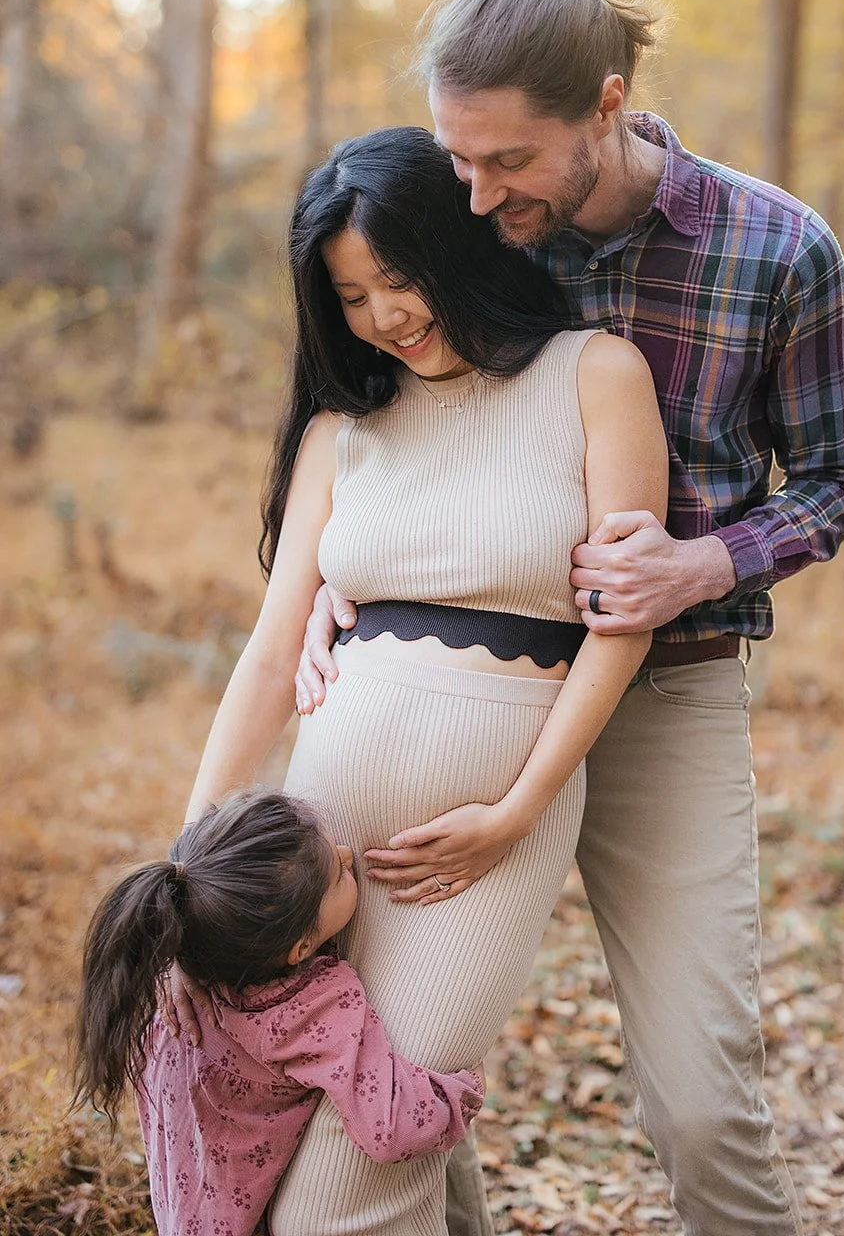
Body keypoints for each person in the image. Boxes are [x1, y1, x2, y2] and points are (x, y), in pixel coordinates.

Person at [298, 0, 844, 1236]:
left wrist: (702, 561)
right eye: (457, 157)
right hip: (462, 691)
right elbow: (371, 403)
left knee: (701, 1101)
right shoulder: (458, 229)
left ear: (603, 109)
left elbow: (831, 484)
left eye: (508, 160)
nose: (482, 194)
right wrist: (342, 582)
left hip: (664, 695)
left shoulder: (777, 250)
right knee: (395, 1074)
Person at [172, 125, 669, 1236]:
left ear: (459, 247)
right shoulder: (344, 432)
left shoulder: (594, 374)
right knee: (295, 1144)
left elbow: (617, 629)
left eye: (397, 277)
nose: (383, 316)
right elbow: (271, 646)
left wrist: (514, 813)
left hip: (479, 847)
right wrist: (193, 846)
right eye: (349, 296)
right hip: (320, 845)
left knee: (345, 1189)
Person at [73, 788, 484, 1236]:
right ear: (301, 947)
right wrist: (466, 1087)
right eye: (340, 874)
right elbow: (391, 1126)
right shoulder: (311, 1008)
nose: (349, 854)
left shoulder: (186, 952)